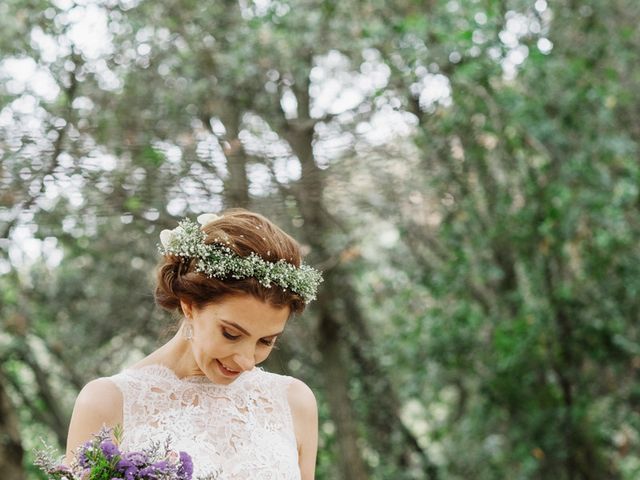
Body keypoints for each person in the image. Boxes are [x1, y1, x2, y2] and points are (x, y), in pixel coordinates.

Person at [65, 209, 323, 479]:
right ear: (189, 306)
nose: (246, 361)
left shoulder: (295, 402)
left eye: (266, 341)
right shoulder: (106, 403)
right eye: (231, 334)